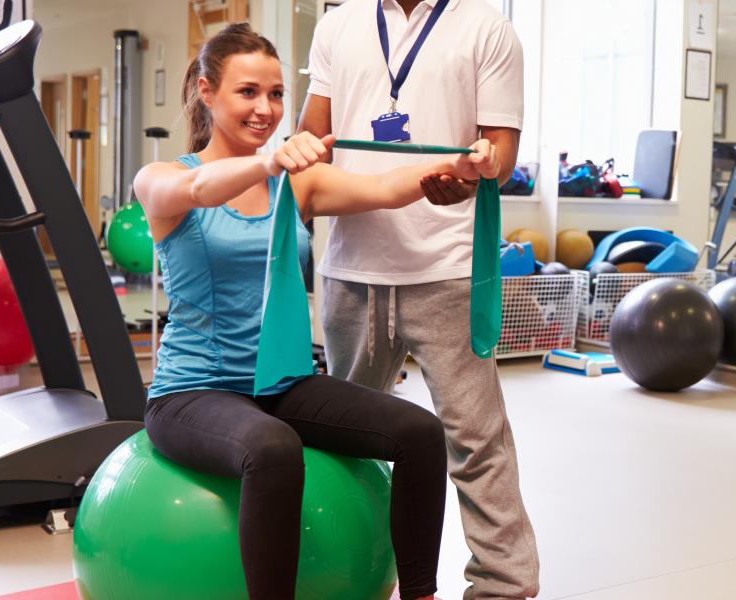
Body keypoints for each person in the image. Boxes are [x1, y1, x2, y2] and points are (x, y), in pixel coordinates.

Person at [132, 23, 498, 600]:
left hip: (281, 382)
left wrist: (462, 163)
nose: (266, 108)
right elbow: (203, 187)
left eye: (276, 94)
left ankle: (420, 593)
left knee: (420, 432)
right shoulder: (162, 178)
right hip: (192, 393)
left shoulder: (295, 186)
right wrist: (269, 162)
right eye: (247, 92)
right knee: (272, 447)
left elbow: (389, 187)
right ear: (207, 92)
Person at [299, 1, 539, 598]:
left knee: (476, 439)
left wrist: (477, 171)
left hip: (448, 268)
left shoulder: (489, 29)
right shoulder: (337, 25)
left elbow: (500, 154)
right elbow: (312, 136)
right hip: (352, 269)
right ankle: (341, 571)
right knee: (340, 439)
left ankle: (505, 585)